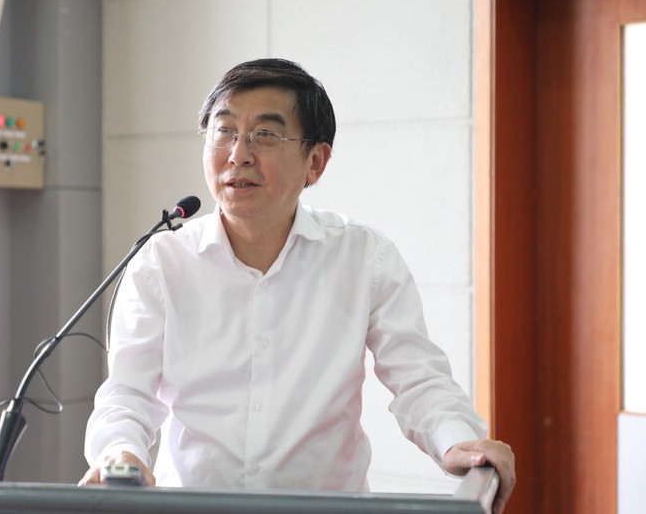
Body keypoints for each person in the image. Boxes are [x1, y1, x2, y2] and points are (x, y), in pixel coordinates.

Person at [80, 58, 515, 513]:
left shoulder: (364, 258)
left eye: (265, 135)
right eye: (223, 131)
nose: (238, 154)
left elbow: (419, 380)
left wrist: (458, 441)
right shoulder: (161, 261)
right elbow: (128, 394)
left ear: (316, 161)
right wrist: (120, 454)